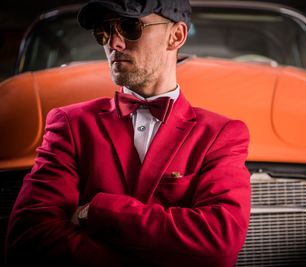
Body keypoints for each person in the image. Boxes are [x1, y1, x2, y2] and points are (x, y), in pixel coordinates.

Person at [5, 0, 251, 266]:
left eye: (130, 27)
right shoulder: (70, 124)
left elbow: (218, 244)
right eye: (104, 31)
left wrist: (96, 212)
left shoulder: (220, 134)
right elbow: (28, 239)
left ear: (176, 36)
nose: (114, 43)